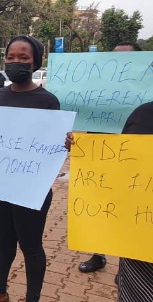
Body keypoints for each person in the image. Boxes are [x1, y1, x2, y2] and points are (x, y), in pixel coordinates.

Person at [0, 36, 58, 302]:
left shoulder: (48, 101)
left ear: (35, 62)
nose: (16, 62)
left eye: (24, 58)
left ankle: (33, 297)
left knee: (31, 246)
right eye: (11, 57)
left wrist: (67, 142)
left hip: (31, 188)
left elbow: (52, 148)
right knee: (4, 238)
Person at [77, 41, 142, 277]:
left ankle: (128, 266)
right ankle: (99, 255)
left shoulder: (147, 93)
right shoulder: (98, 91)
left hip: (136, 165)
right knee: (101, 209)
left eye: (129, 61)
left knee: (132, 212)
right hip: (102, 159)